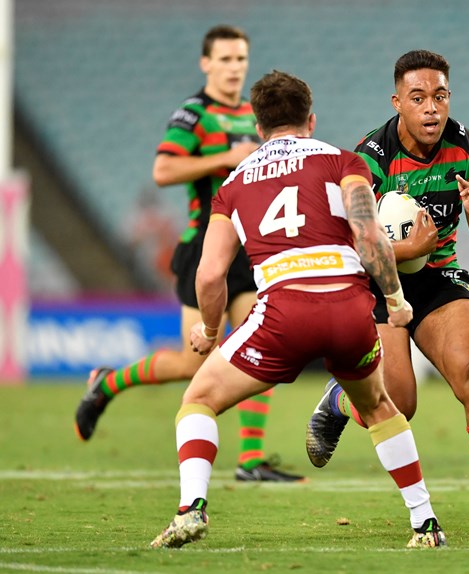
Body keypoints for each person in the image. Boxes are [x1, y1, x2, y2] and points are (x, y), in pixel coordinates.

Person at [150, 70, 446, 549]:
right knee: (379, 406)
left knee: (198, 400)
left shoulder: (233, 184)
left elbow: (209, 275)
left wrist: (208, 330)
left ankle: (190, 511)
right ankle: (425, 523)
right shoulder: (344, 161)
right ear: (311, 119)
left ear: (257, 123)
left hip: (282, 314)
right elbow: (368, 236)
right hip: (348, 310)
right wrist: (394, 299)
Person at [305, 49, 469, 533]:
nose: (431, 108)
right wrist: (407, 249)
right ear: (398, 101)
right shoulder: (368, 158)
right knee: (399, 404)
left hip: (437, 276)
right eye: (419, 97)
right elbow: (352, 249)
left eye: (440, 97)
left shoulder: (468, 147)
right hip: (377, 282)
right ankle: (342, 400)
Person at [74, 25, 303, 483]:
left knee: (266, 339)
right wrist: (222, 161)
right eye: (225, 60)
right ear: (206, 64)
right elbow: (163, 169)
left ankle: (251, 460)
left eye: (240, 59)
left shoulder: (252, 113)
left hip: (251, 243)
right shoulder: (194, 115)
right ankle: (109, 381)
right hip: (207, 244)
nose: (234, 68)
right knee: (193, 360)